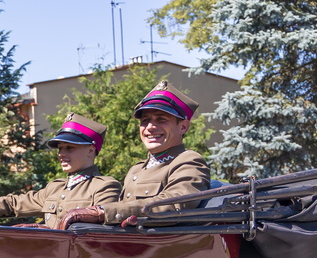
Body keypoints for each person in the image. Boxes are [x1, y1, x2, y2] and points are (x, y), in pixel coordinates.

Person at [60, 81, 210, 228]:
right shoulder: (137, 169)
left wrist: (103, 212)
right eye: (145, 121)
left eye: (161, 119)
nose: (150, 127)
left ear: (183, 126)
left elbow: (173, 203)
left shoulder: (188, 161)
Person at [0, 113, 120, 228]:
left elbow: (99, 233)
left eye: (70, 148)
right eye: (60, 149)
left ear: (91, 151)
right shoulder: (55, 188)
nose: (62, 154)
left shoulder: (104, 186)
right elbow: (13, 203)